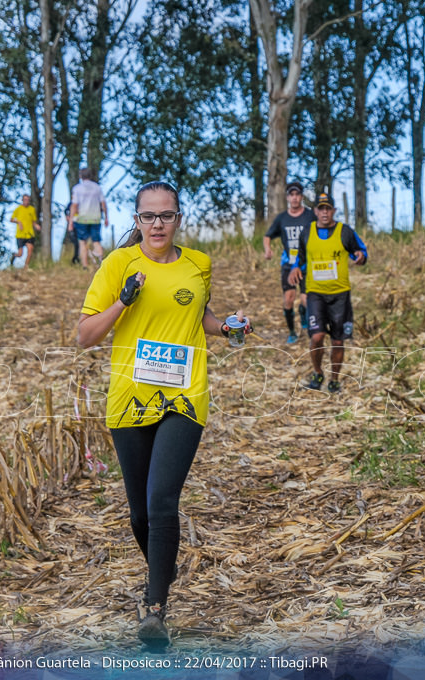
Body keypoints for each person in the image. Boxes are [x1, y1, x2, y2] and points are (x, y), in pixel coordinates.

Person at [77, 181, 250, 647]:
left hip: (184, 399)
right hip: (130, 400)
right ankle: (163, 566)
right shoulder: (118, 265)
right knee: (140, 516)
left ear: (178, 219)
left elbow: (200, 316)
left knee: (161, 501)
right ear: (136, 221)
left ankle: (155, 609)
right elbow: (85, 335)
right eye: (149, 216)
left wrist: (229, 328)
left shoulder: (199, 264)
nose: (158, 224)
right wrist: (124, 301)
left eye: (166, 215)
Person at [288, 191, 368, 393]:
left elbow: (361, 251)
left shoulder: (345, 232)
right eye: (321, 208)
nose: (324, 212)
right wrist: (295, 268)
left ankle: (334, 379)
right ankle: (317, 374)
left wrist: (360, 256)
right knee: (316, 337)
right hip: (316, 293)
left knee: (338, 340)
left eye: (328, 208)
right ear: (315, 211)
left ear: (333, 211)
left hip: (340, 295)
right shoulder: (307, 231)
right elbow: (299, 257)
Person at [264, 180, 316, 344]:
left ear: (301, 197)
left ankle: (304, 316)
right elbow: (267, 236)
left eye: (297, 195)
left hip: (306, 264)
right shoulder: (282, 218)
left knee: (306, 299)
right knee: (288, 298)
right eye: (291, 195)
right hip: (288, 264)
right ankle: (292, 331)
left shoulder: (310, 215)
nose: (294, 198)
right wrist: (268, 249)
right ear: (287, 197)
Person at [71, 167, 109, 268]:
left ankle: (85, 266)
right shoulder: (97, 187)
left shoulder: (77, 188)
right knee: (96, 241)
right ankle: (101, 263)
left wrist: (70, 221)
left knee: (82, 242)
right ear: (90, 176)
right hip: (96, 218)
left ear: (80, 176)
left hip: (82, 219)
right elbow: (103, 203)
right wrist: (106, 217)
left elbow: (74, 205)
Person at [9, 194, 41, 268]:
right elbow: (11, 219)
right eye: (25, 200)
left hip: (29, 234)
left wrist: (36, 225)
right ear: (22, 200)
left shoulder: (32, 209)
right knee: (20, 254)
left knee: (30, 250)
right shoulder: (18, 209)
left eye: (28, 200)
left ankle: (26, 267)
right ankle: (14, 256)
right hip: (20, 234)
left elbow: (33, 221)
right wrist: (19, 222)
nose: (26, 201)